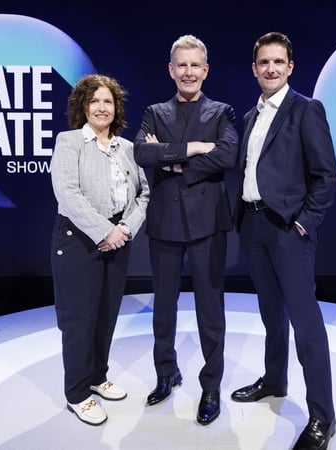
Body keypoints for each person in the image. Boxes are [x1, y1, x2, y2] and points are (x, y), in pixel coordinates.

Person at [229, 32, 336, 450]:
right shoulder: (249, 116)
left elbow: (326, 177)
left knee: (306, 325)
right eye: (263, 63)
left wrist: (304, 224)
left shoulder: (306, 110)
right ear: (254, 68)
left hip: (288, 231)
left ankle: (321, 418)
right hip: (254, 227)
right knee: (271, 316)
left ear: (290, 67)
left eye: (278, 62)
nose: (271, 69)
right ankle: (274, 381)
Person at [133, 34, 238, 426]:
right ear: (171, 69)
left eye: (196, 65)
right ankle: (166, 373)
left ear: (205, 70)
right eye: (182, 65)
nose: (189, 72)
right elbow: (141, 152)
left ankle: (211, 385)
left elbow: (229, 154)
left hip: (209, 224)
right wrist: (195, 148)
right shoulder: (155, 111)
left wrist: (173, 158)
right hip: (164, 223)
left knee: (211, 310)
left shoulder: (222, 111)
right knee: (163, 308)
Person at [49, 74, 150, 426]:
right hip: (77, 240)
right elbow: (67, 193)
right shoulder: (70, 142)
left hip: (118, 239)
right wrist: (104, 231)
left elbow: (144, 195)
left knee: (105, 315)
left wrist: (124, 229)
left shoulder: (128, 148)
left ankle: (96, 375)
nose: (102, 107)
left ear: (116, 107)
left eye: (108, 101)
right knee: (80, 320)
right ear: (83, 106)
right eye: (95, 101)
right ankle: (77, 394)